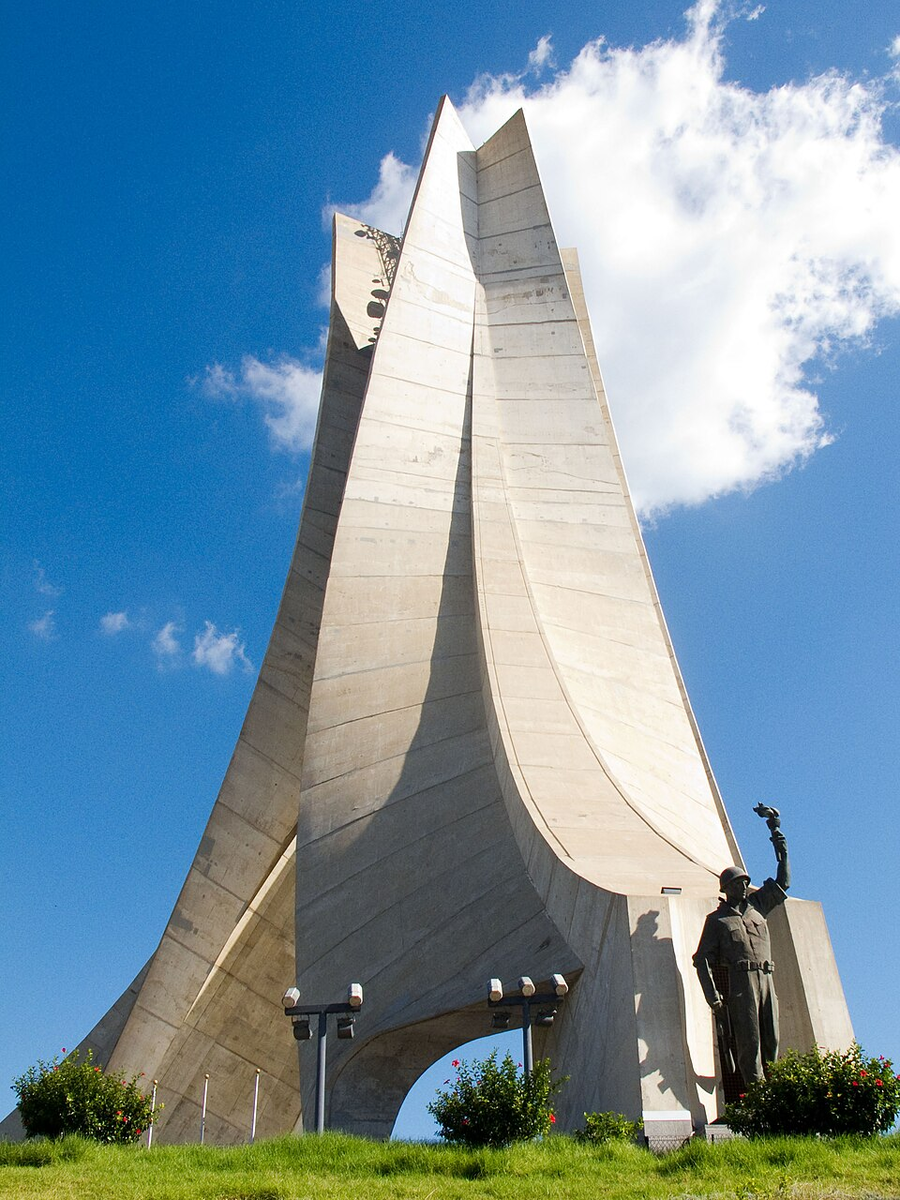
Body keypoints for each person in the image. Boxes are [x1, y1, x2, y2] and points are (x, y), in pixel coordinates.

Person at [693, 805, 790, 1086]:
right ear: (726, 888)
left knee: (771, 1038)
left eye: (745, 882)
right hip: (741, 981)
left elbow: (784, 880)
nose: (744, 886)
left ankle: (776, 1095)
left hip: (767, 978)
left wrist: (776, 832)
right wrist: (714, 998)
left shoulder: (758, 906)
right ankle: (759, 1099)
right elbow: (701, 960)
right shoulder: (717, 920)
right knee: (751, 1042)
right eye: (738, 883)